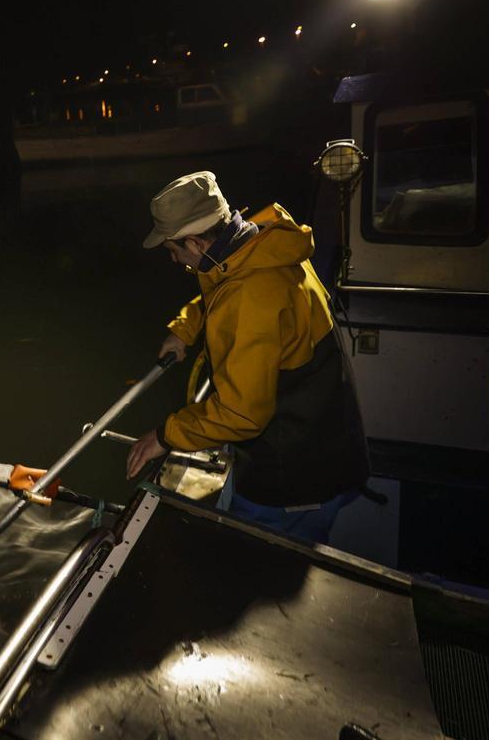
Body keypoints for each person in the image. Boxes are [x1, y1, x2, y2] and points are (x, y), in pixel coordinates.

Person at [125, 171, 369, 543]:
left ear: (195, 242)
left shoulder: (249, 296)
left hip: (295, 480)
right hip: (333, 446)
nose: (175, 261)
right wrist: (186, 326)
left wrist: (164, 435)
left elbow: (241, 414)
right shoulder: (264, 247)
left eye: (174, 251)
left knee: (258, 561)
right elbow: (222, 284)